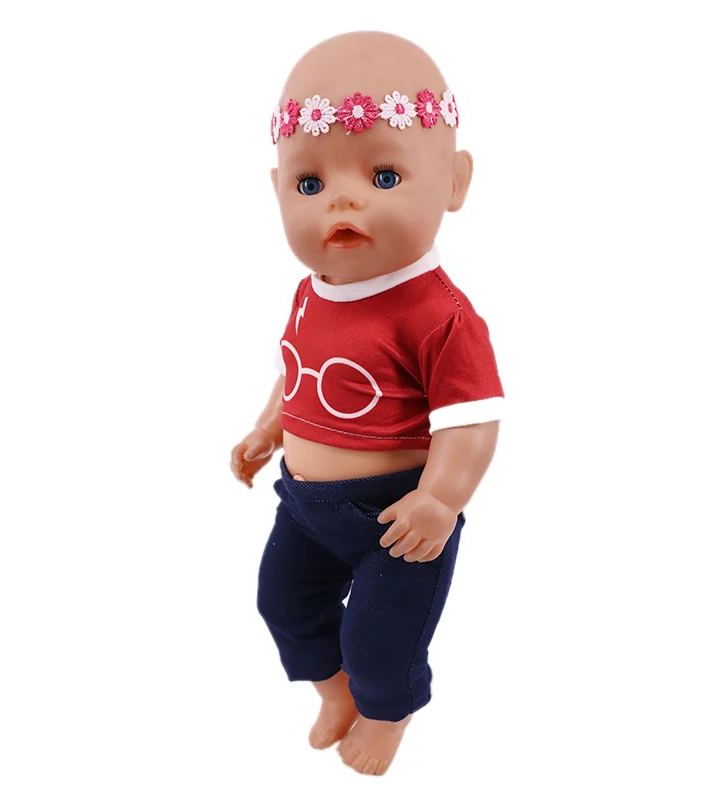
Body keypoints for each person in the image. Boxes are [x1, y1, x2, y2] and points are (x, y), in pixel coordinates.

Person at [230, 30, 505, 776]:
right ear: (277, 188)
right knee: (283, 603)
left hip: (398, 519)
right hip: (305, 505)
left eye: (384, 175)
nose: (342, 199)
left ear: (453, 182)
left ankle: (386, 713)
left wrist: (441, 499)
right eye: (309, 184)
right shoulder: (310, 292)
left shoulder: (439, 315)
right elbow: (297, 371)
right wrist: (267, 428)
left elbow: (471, 419)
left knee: (382, 638)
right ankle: (335, 690)